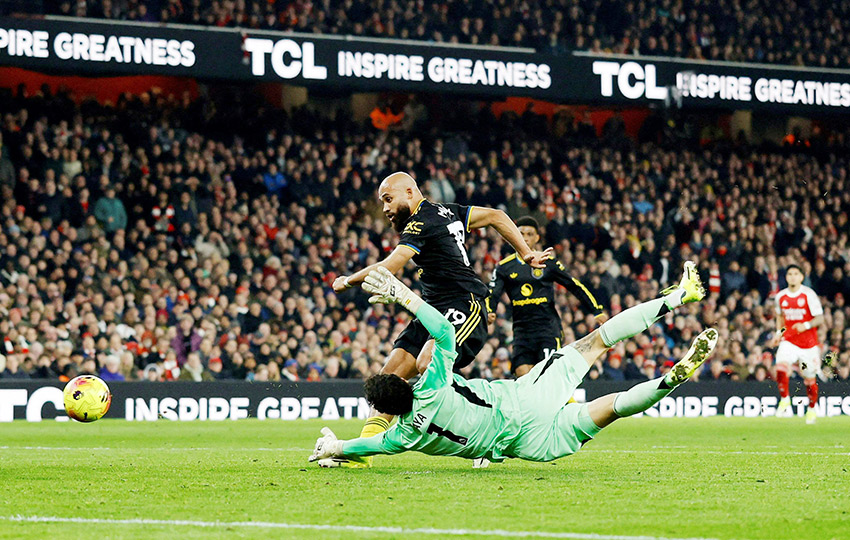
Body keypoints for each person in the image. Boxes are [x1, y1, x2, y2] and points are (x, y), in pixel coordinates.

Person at [310, 263, 714, 467]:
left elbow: (370, 445)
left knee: (610, 408)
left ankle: (668, 381)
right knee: (596, 342)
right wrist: (404, 296)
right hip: (524, 400)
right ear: (404, 383)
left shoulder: (401, 438)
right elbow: (445, 331)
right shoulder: (431, 384)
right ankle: (679, 297)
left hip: (527, 446)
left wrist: (337, 447)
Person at [331, 172, 551, 467]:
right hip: (432, 309)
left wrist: (347, 280)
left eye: (389, 199)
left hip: (465, 304)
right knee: (390, 376)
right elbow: (496, 216)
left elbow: (390, 266)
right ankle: (362, 455)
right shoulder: (448, 211)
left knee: (428, 362)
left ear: (410, 192)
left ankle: (487, 431)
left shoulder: (421, 222)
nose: (385, 208)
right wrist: (525, 252)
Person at [488, 216, 608, 377]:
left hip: (547, 329)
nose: (525, 238)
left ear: (537, 238)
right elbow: (493, 292)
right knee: (522, 375)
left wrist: (596, 310)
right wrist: (489, 310)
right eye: (521, 233)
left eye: (530, 234)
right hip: (522, 330)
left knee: (547, 376)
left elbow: (574, 285)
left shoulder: (548, 262)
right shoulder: (504, 267)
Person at [769, 264, 825, 424]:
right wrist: (778, 333)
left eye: (795, 274)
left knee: (809, 380)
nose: (792, 277)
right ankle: (785, 399)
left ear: (801, 277)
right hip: (789, 341)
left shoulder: (809, 295)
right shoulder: (780, 297)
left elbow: (820, 318)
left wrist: (805, 325)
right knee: (780, 365)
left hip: (809, 345)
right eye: (790, 274)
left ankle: (812, 409)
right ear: (786, 277)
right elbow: (780, 318)